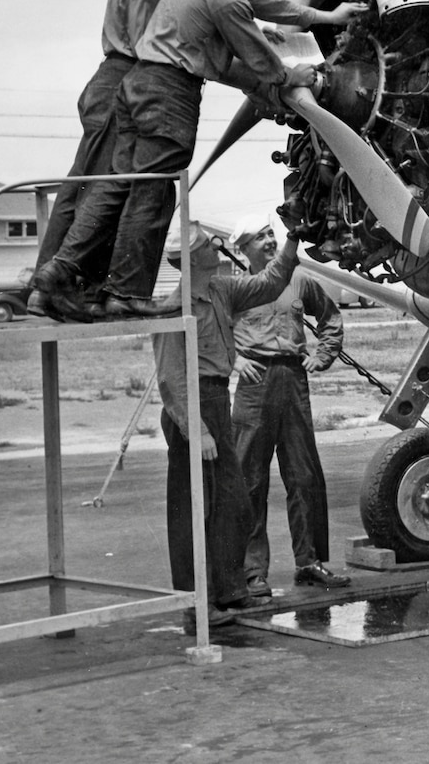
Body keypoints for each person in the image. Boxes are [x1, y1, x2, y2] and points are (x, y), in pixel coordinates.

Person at [33, 0, 369, 318]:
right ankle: (125, 293)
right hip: (168, 93)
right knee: (152, 191)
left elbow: (269, 5)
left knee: (119, 183)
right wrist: (291, 78)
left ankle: (57, 273)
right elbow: (257, 54)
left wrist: (329, 16)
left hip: (137, 87)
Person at [30, 0, 203, 318]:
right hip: (124, 79)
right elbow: (152, 47)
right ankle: (53, 285)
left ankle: (56, 286)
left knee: (92, 186)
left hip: (116, 79)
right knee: (98, 188)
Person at [152, 220, 301, 632]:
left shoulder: (221, 290)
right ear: (190, 259)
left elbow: (268, 284)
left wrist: (293, 238)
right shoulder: (173, 306)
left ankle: (228, 587)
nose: (214, 247)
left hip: (217, 399)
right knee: (193, 509)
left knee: (232, 502)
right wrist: (195, 429)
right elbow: (171, 378)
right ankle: (195, 604)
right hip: (193, 408)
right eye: (205, 244)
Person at [230, 214, 348, 596]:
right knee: (250, 479)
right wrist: (235, 358)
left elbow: (329, 316)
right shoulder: (237, 287)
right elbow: (210, 329)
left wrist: (324, 354)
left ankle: (310, 561)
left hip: (293, 380)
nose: (268, 241)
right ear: (241, 249)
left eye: (270, 234)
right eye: (258, 237)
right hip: (254, 385)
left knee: (304, 475)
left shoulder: (298, 280)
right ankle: (251, 571)